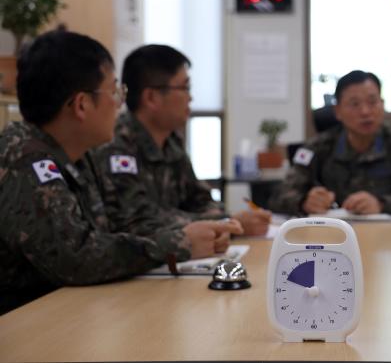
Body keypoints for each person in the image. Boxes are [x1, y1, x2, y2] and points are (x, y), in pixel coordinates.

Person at [0, 31, 242, 315]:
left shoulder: (77, 154)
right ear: (81, 105)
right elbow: (76, 257)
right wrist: (179, 243)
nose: (119, 103)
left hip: (72, 313)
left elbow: (117, 223)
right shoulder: (25, 159)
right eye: (114, 92)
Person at [92, 45, 271, 237]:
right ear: (151, 97)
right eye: (184, 87)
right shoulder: (117, 145)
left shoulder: (171, 139)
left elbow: (199, 199)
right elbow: (138, 222)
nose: (191, 97)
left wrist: (227, 221)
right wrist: (227, 223)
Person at [269, 70, 391, 216]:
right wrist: (304, 202)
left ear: (382, 105)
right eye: (355, 104)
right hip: (331, 237)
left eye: (372, 102)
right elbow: (279, 196)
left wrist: (382, 204)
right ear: (337, 111)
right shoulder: (317, 147)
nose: (365, 111)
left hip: (385, 236)